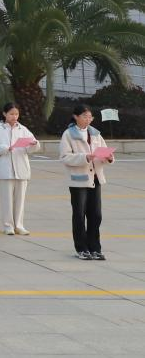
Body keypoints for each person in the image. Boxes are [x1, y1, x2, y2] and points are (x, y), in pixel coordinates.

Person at [59, 104, 114, 261]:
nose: (88, 120)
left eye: (90, 117)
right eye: (85, 116)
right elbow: (64, 157)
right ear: (76, 117)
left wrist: (109, 158)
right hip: (78, 181)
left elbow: (105, 151)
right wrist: (84, 157)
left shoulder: (96, 134)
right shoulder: (68, 134)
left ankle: (95, 248)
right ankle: (81, 248)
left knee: (96, 215)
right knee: (79, 215)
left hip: (95, 179)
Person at [0, 101, 41, 236]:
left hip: (21, 168)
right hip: (4, 169)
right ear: (4, 114)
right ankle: (8, 225)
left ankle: (19, 225)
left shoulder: (22, 129)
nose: (14, 117)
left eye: (16, 114)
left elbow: (33, 146)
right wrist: (6, 148)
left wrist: (34, 144)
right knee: (6, 199)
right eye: (11, 114)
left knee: (20, 199)